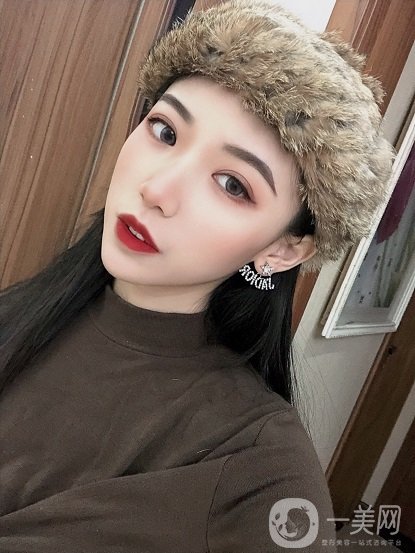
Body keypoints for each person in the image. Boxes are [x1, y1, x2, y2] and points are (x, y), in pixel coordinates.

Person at [0, 1, 394, 551]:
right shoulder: (25, 309)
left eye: (233, 184)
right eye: (164, 131)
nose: (157, 189)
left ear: (283, 249)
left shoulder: (259, 473)